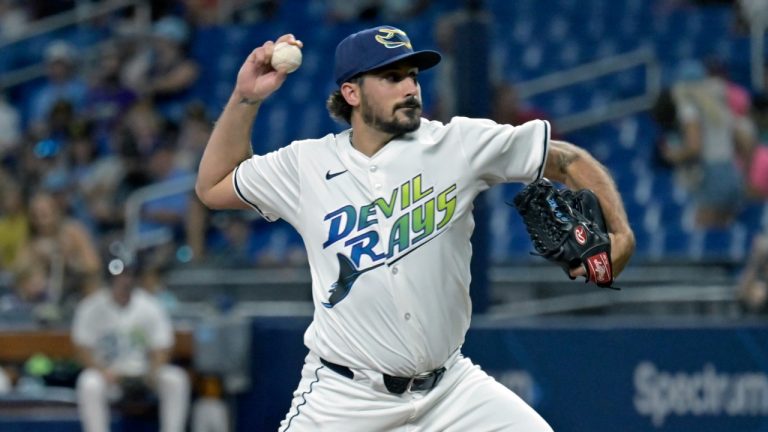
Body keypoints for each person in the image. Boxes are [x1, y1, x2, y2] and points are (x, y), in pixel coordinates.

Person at [195, 26, 635, 431]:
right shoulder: (306, 165)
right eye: (391, 77)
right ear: (351, 92)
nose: (409, 87)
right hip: (345, 397)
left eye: (413, 76)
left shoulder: (456, 143)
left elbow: (567, 159)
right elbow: (213, 185)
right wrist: (246, 97)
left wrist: (620, 232)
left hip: (450, 392)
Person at [72, 257, 190, 432]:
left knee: (175, 379)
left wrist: (154, 370)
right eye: (119, 275)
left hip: (143, 373)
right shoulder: (91, 307)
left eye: (128, 274)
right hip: (110, 375)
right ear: (109, 278)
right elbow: (82, 348)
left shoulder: (150, 305)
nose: (125, 280)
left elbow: (162, 346)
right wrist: (102, 371)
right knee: (89, 383)